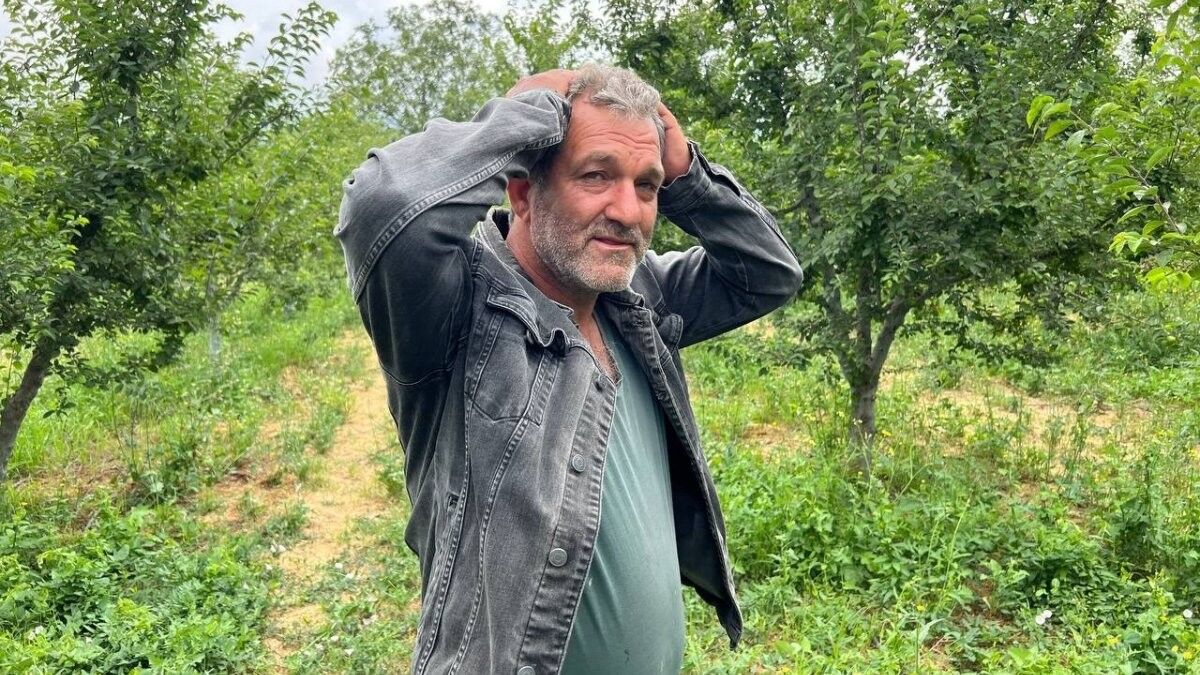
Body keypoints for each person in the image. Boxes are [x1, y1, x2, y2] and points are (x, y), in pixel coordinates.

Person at [335, 64, 803, 675]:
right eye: (596, 175)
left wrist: (686, 174)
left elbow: (768, 273)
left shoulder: (637, 299)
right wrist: (530, 117)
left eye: (646, 185)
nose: (627, 211)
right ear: (523, 193)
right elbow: (384, 205)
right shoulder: (455, 312)